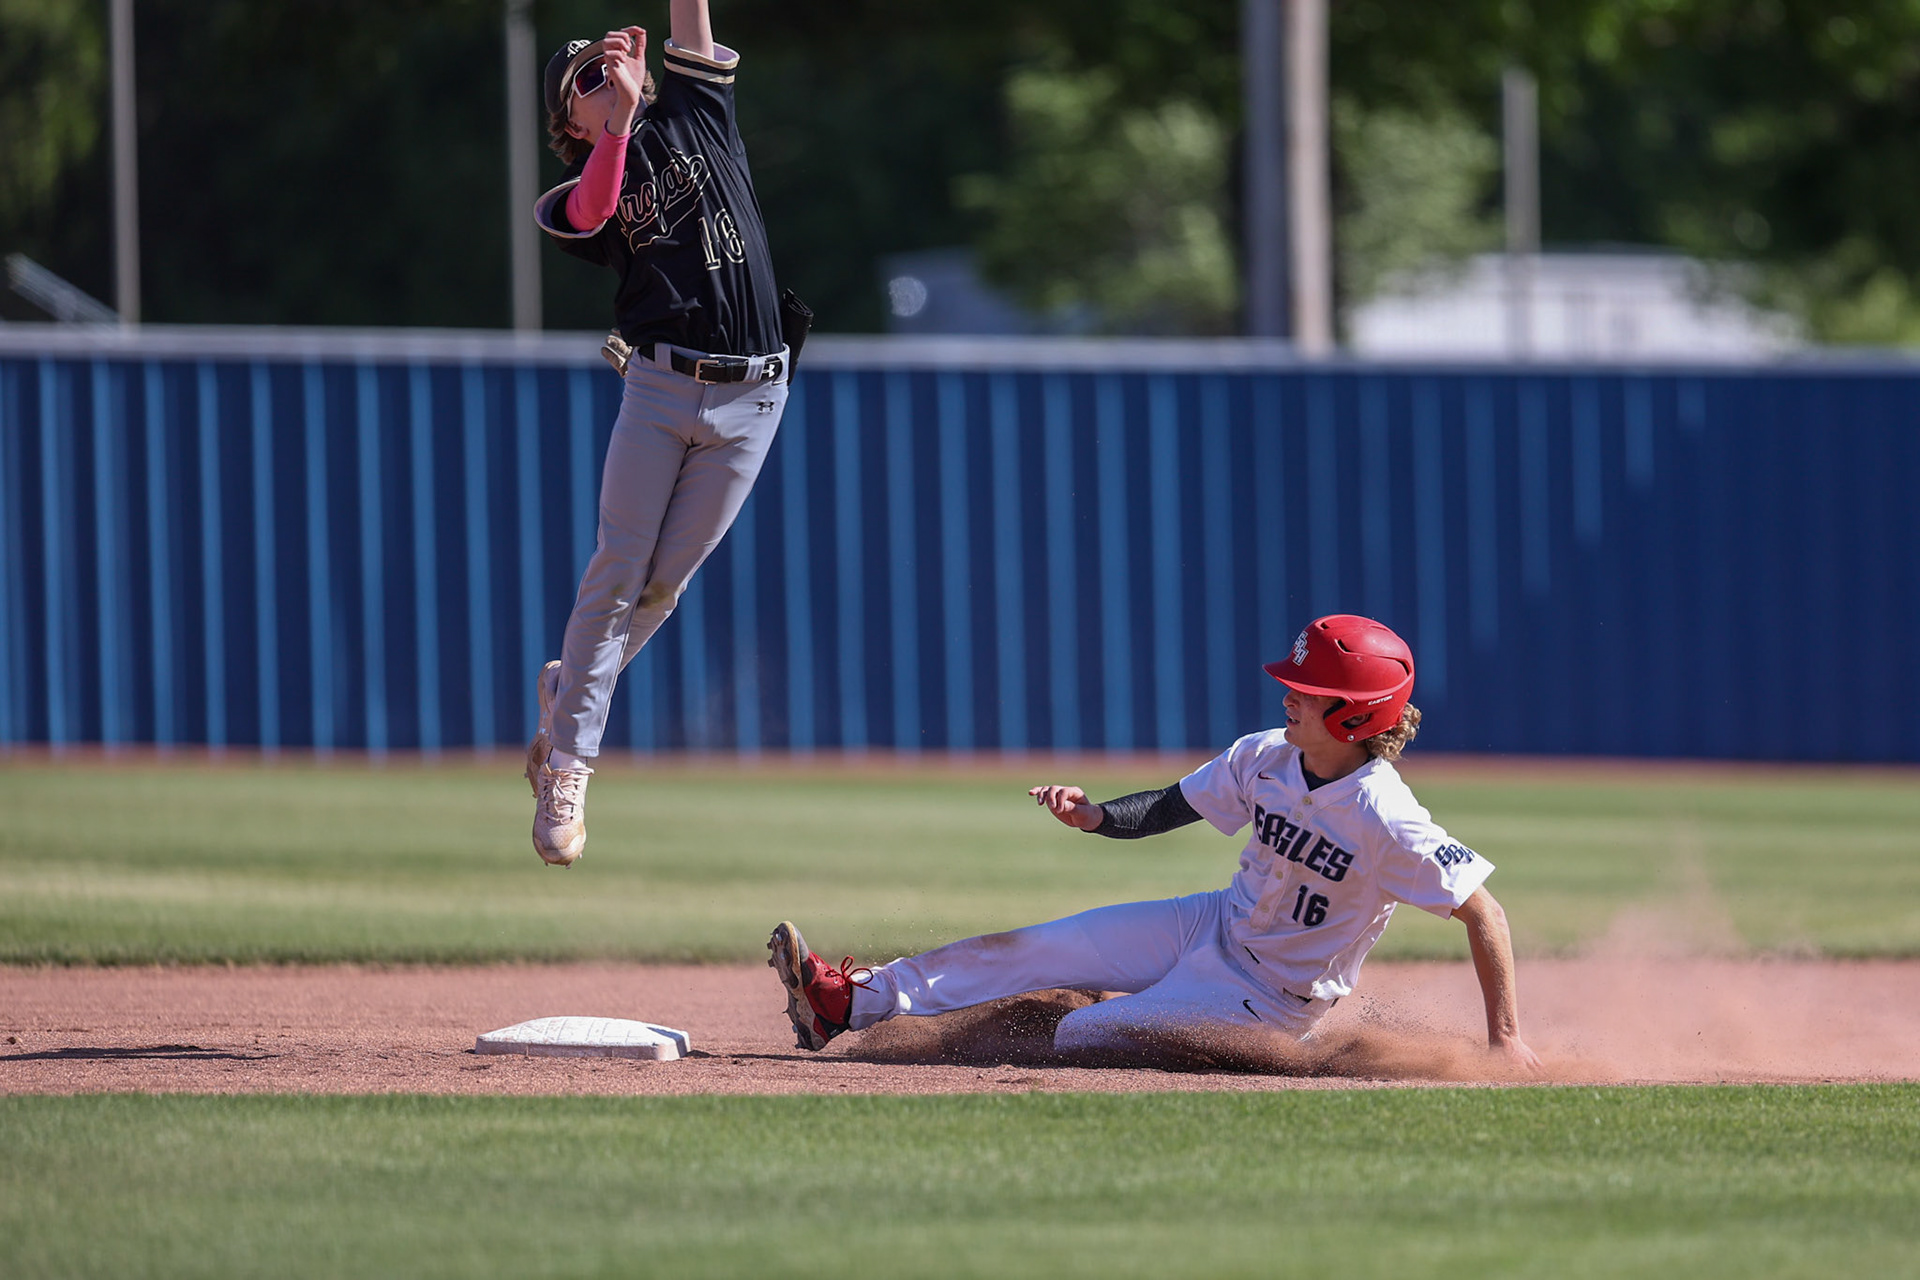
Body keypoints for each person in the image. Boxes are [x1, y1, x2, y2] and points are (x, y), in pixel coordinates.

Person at [768, 614, 1545, 1070]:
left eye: (1307, 690)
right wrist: (1095, 817)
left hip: (1271, 996)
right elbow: (1174, 805)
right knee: (1036, 947)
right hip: (1211, 923)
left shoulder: (1386, 817)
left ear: (1354, 716)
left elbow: (1487, 916)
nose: (1287, 693)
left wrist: (1505, 1041)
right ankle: (845, 1004)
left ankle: (1122, 1016)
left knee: (1079, 1032)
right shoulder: (1266, 755)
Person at [525, 3, 802, 867]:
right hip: (659, 388)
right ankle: (568, 768)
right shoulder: (577, 191)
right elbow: (597, 205)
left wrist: (641, 85)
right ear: (567, 126)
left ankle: (568, 691)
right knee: (616, 573)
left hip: (754, 397)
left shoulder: (693, 107)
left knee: (659, 591)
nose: (604, 84)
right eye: (584, 84)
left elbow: (690, 10)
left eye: (606, 67)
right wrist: (613, 126)